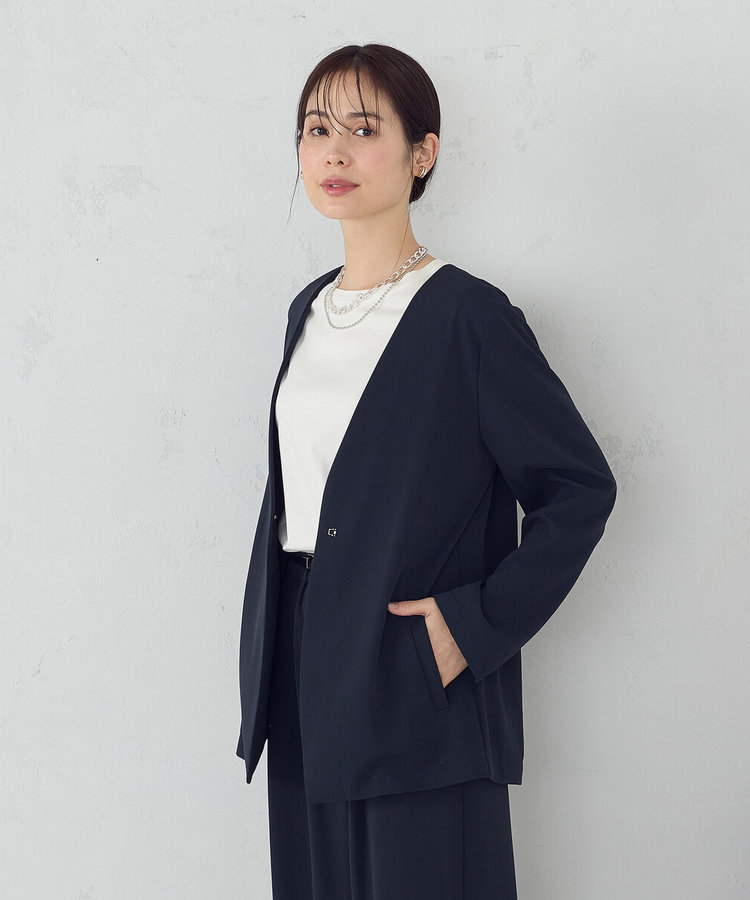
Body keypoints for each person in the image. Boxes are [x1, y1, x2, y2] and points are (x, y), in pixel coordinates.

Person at [236, 42, 617, 900]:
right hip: (298, 668)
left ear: (422, 152)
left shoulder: (468, 319)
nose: (334, 151)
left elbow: (579, 489)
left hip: (412, 683)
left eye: (363, 128)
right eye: (316, 129)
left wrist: (471, 627)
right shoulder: (307, 310)